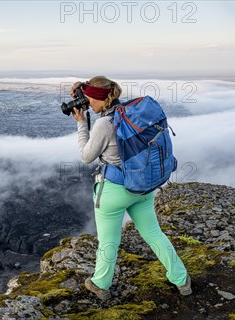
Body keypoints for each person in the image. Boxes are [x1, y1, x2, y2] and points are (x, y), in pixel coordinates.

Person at [71, 76, 191, 300]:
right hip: (143, 187)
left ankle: (101, 284)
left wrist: (80, 123)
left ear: (99, 100)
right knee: (154, 234)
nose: (87, 104)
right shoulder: (131, 113)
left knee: (108, 241)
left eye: (88, 99)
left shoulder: (103, 124)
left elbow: (86, 156)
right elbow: (101, 91)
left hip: (114, 191)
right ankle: (182, 279)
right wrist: (84, 86)